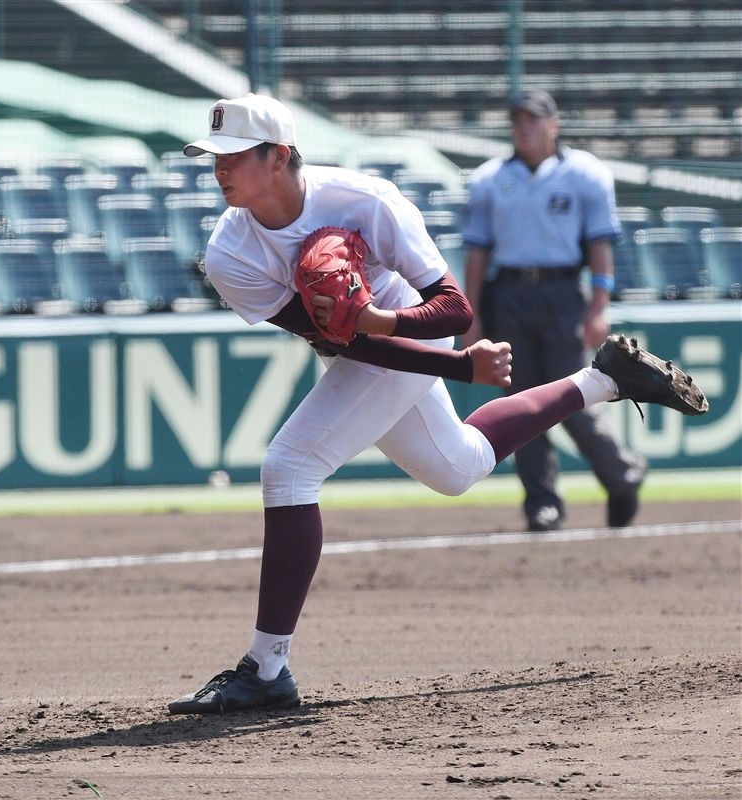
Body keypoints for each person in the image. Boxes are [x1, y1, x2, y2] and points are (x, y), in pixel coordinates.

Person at [168, 93, 706, 715]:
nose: (219, 167)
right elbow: (337, 341)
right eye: (214, 155)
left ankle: (266, 668)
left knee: (289, 467)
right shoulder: (230, 253)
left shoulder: (365, 200)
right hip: (370, 351)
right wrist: (455, 367)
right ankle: (604, 380)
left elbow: (453, 307)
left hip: (412, 324)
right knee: (458, 468)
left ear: (280, 155)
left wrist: (394, 325)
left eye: (234, 153)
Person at [462, 89, 647, 533]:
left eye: (533, 119)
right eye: (518, 120)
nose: (524, 127)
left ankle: (621, 473)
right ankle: (541, 503)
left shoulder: (585, 174)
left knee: (576, 396)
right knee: (521, 404)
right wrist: (472, 315)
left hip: (563, 291)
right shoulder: (489, 180)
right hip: (507, 293)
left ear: (553, 124)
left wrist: (599, 305)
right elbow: (477, 253)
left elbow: (600, 245)